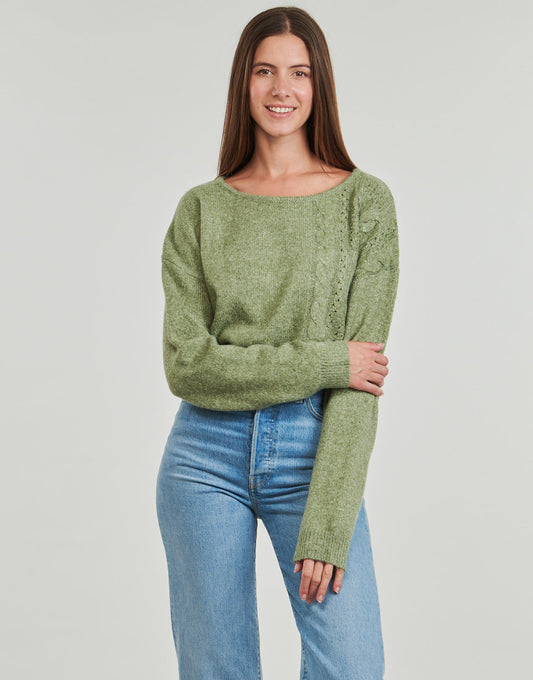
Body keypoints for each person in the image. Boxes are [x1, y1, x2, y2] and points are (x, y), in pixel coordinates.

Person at [156, 6, 400, 679]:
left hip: (313, 452)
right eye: (264, 71)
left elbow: (362, 382)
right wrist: (328, 360)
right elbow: (187, 365)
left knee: (351, 664)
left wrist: (329, 519)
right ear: (244, 82)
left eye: (299, 72)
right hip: (203, 457)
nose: (281, 88)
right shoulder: (201, 209)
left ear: (320, 86)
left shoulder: (364, 204)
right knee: (216, 668)